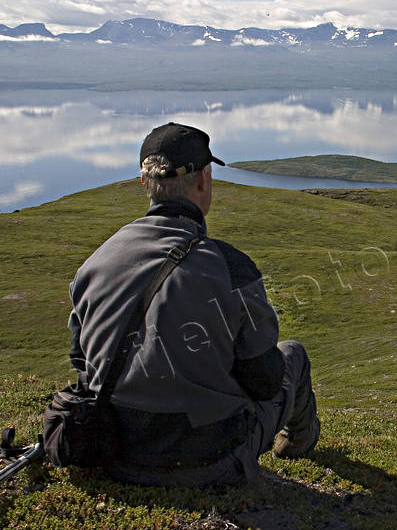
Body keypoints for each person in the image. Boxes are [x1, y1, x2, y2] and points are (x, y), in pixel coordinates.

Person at [67, 122, 320, 486]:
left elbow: (82, 364)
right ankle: (298, 442)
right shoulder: (230, 267)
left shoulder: (94, 263)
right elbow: (265, 382)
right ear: (203, 179)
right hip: (208, 460)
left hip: (113, 451)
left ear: (144, 184)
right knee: (292, 354)